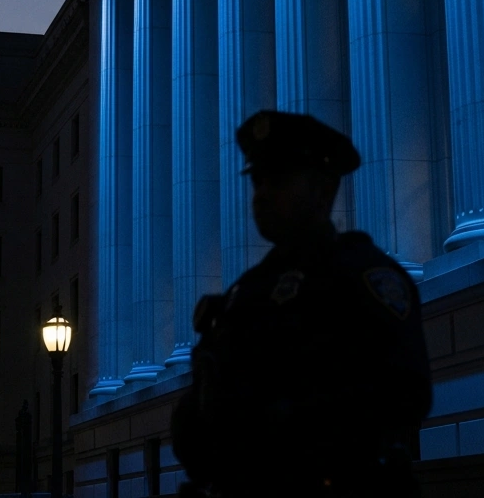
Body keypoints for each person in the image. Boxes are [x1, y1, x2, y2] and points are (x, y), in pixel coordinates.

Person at [172, 110, 432, 497]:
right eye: (258, 181)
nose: (261, 195)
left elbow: (402, 395)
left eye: (277, 180)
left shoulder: (364, 276)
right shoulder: (247, 291)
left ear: (324, 189)